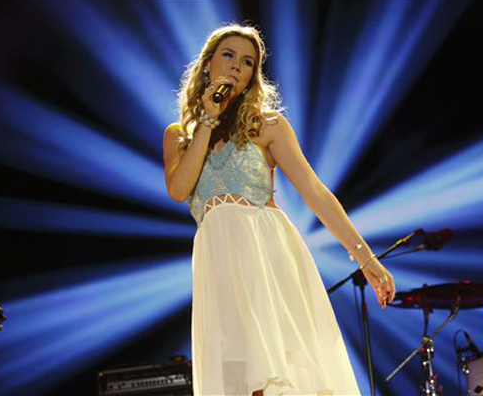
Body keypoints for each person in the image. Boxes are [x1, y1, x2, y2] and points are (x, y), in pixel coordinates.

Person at [163, 24, 395, 396]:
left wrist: (366, 259)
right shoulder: (180, 136)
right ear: (207, 64)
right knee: (236, 373)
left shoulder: (268, 126)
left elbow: (315, 193)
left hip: (264, 255)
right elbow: (178, 190)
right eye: (228, 55)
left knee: (273, 376)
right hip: (217, 264)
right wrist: (206, 119)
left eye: (247, 62)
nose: (236, 66)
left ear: (252, 76)